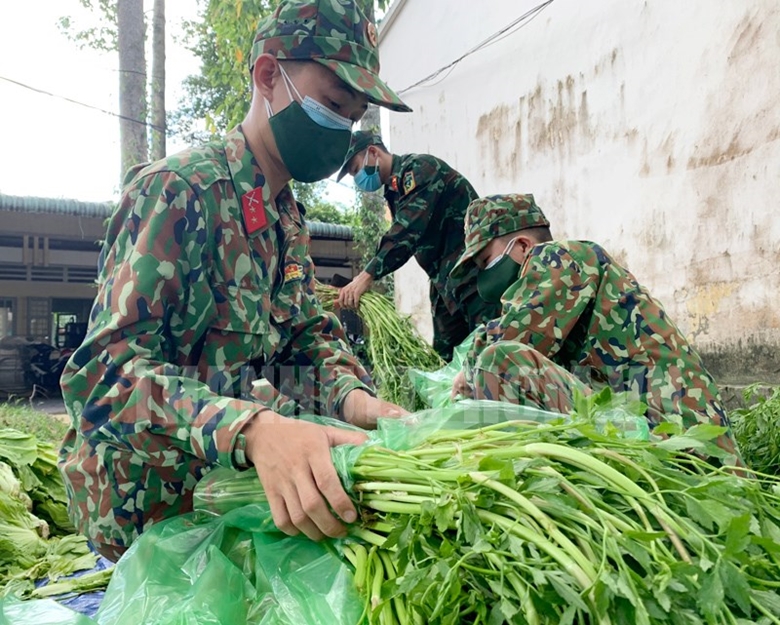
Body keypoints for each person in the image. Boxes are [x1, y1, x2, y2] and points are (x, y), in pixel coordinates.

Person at [59, 0, 412, 561]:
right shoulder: (178, 191)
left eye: (354, 117)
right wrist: (252, 429)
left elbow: (303, 338)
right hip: (145, 520)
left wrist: (355, 400)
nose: (344, 129)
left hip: (227, 504)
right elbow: (106, 374)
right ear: (269, 76)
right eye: (332, 104)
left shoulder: (284, 216)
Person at [449, 194, 740, 461]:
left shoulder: (558, 257)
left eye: (486, 260)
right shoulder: (567, 306)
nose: (483, 274)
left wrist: (469, 370)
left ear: (523, 245)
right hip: (660, 435)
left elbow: (512, 338)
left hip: (681, 445)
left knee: (499, 361)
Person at [335, 132, 500, 361]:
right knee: (448, 360)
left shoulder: (420, 169)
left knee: (489, 355)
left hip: (472, 276)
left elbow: (406, 231)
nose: (358, 179)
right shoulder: (395, 190)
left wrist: (365, 277)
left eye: (356, 170)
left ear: (373, 152)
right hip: (445, 283)